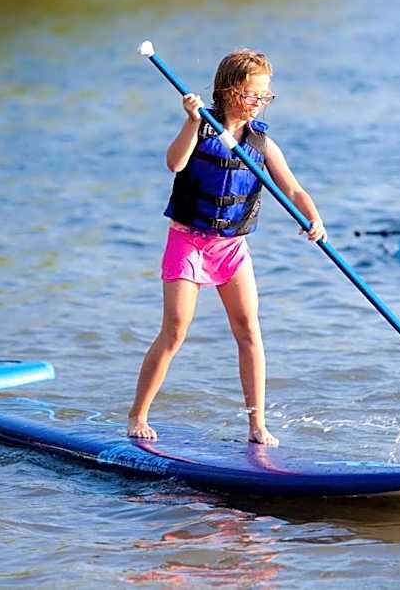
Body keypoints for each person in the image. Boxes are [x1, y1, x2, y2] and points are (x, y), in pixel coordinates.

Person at [127, 49, 327, 447]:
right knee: (176, 331)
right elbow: (174, 163)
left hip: (231, 247)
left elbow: (293, 188)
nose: (259, 102)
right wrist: (189, 120)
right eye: (253, 94)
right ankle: (138, 415)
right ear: (229, 91)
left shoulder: (261, 142)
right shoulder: (201, 126)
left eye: (265, 96)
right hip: (187, 241)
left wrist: (313, 218)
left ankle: (257, 425)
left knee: (249, 330)